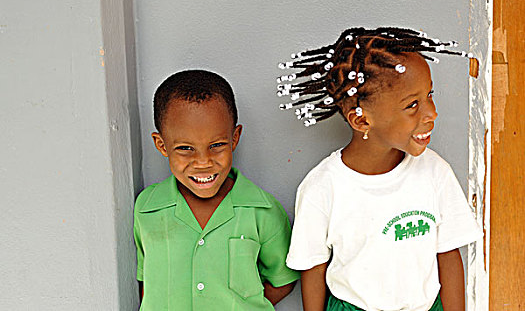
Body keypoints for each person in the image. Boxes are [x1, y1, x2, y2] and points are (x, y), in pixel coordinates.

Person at [276, 27, 483, 311]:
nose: (431, 113)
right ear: (361, 121)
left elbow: (448, 253)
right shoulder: (323, 187)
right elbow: (313, 268)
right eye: (412, 104)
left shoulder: (435, 172)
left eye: (429, 95)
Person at [134, 70, 299, 310]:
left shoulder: (262, 211)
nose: (203, 162)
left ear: (234, 138)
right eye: (185, 148)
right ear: (161, 145)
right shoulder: (147, 208)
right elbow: (146, 282)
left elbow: (282, 281)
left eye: (217, 145)